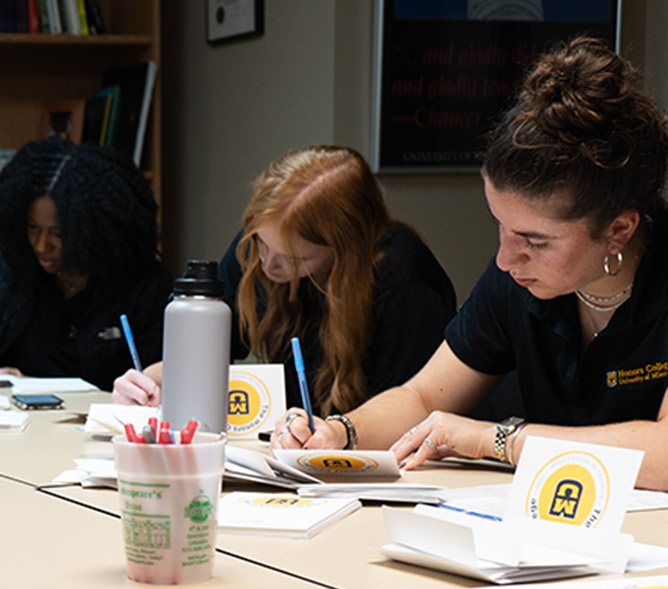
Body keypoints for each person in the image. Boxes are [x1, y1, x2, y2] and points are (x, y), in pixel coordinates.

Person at [275, 37, 668, 490]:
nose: (505, 259)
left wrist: (497, 439)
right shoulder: (518, 279)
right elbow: (423, 397)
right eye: (500, 225)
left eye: (534, 241)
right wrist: (342, 432)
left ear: (619, 229)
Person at [113, 146, 456, 416]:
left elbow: (408, 413)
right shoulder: (260, 249)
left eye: (295, 259)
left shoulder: (405, 280)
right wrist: (153, 381)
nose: (268, 265)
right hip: (294, 450)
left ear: (345, 247)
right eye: (261, 242)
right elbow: (208, 350)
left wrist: (333, 436)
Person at [0, 136, 170, 391]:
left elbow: (155, 379)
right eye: (33, 227)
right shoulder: (11, 266)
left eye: (58, 233)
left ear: (95, 230)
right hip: (21, 420)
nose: (41, 245)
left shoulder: (142, 285)